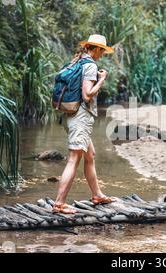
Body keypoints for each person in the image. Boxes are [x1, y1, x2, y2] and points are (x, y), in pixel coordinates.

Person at [53, 34, 114, 214]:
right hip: (80, 117)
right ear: (94, 48)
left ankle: (97, 195)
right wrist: (102, 79)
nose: (102, 53)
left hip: (70, 114)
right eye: (101, 50)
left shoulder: (77, 61)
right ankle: (59, 204)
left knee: (90, 155)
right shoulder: (89, 65)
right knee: (73, 159)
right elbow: (87, 95)